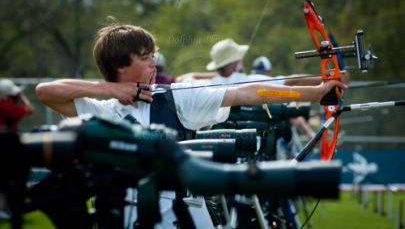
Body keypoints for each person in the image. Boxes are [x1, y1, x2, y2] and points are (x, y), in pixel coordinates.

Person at [35, 20, 346, 228]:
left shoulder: (176, 97)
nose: (153, 63)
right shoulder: (97, 110)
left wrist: (313, 92)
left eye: (153, 55)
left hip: (181, 214)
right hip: (119, 216)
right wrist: (110, 90)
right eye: (145, 57)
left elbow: (247, 93)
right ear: (120, 66)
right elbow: (45, 92)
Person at [176, 38, 323, 87]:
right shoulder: (250, 81)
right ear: (235, 63)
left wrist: (215, 75)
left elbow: (182, 78)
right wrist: (327, 78)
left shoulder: (209, 84)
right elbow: (293, 80)